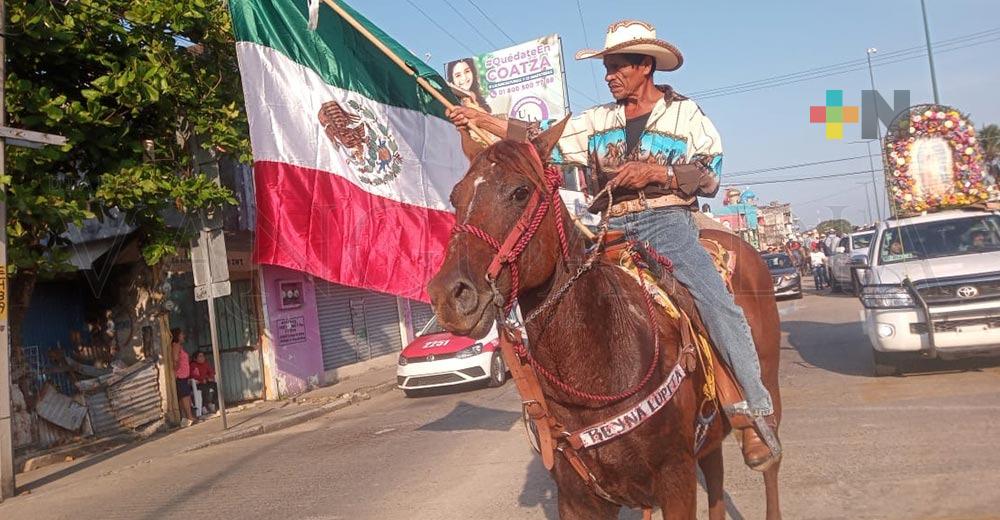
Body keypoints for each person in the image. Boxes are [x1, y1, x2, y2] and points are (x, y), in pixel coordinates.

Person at [447, 20, 780, 471]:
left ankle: (751, 412)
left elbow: (711, 175)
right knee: (561, 304)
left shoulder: (686, 116)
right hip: (608, 227)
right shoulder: (597, 121)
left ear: (646, 66)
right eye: (607, 67)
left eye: (618, 66)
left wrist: (657, 174)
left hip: (669, 224)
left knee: (714, 300)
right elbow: (539, 139)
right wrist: (481, 120)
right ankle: (568, 419)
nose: (609, 75)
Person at [171, 328, 196, 427]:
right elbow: (175, 359)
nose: (183, 336)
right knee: (185, 396)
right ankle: (189, 416)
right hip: (180, 375)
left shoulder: (179, 346)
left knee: (184, 396)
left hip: (183, 375)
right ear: (177, 336)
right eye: (181, 334)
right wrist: (176, 370)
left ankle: (186, 417)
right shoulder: (176, 345)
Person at [189, 351, 219, 415]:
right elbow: (195, 376)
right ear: (195, 358)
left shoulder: (206, 364)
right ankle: (203, 407)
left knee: (216, 386)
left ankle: (212, 404)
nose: (202, 358)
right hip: (197, 383)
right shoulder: (193, 365)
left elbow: (212, 372)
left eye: (203, 356)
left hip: (206, 381)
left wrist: (208, 378)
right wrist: (203, 379)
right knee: (204, 389)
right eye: (200, 356)